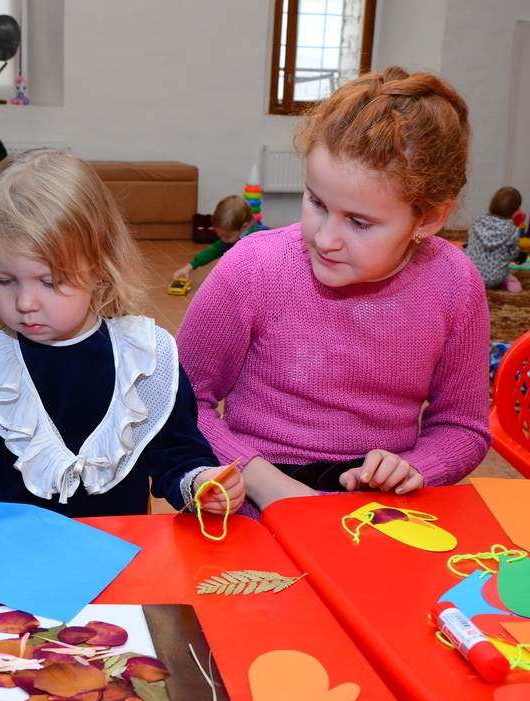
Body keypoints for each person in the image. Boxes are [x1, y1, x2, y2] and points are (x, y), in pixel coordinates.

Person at [177, 67, 491, 520]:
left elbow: (462, 428)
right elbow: (183, 404)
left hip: (376, 509)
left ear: (428, 219)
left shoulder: (455, 284)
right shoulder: (252, 268)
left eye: (360, 223)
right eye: (317, 203)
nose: (325, 238)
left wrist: (414, 468)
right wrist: (264, 483)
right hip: (246, 492)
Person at [0, 149, 244, 519]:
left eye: (50, 281)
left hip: (122, 555)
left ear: (99, 268)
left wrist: (200, 482)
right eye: (5, 280)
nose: (25, 301)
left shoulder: (142, 362)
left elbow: (174, 451)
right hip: (20, 561)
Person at [173, 195, 269, 280]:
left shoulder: (261, 237)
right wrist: (189, 266)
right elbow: (214, 250)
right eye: (220, 235)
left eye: (228, 236)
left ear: (244, 227)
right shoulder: (231, 239)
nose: (224, 239)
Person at [466, 186, 524, 293]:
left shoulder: (476, 223)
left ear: (490, 205)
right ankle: (510, 282)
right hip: (496, 278)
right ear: (515, 213)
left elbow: (471, 244)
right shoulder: (513, 231)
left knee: (461, 256)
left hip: (471, 277)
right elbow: (513, 255)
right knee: (506, 272)